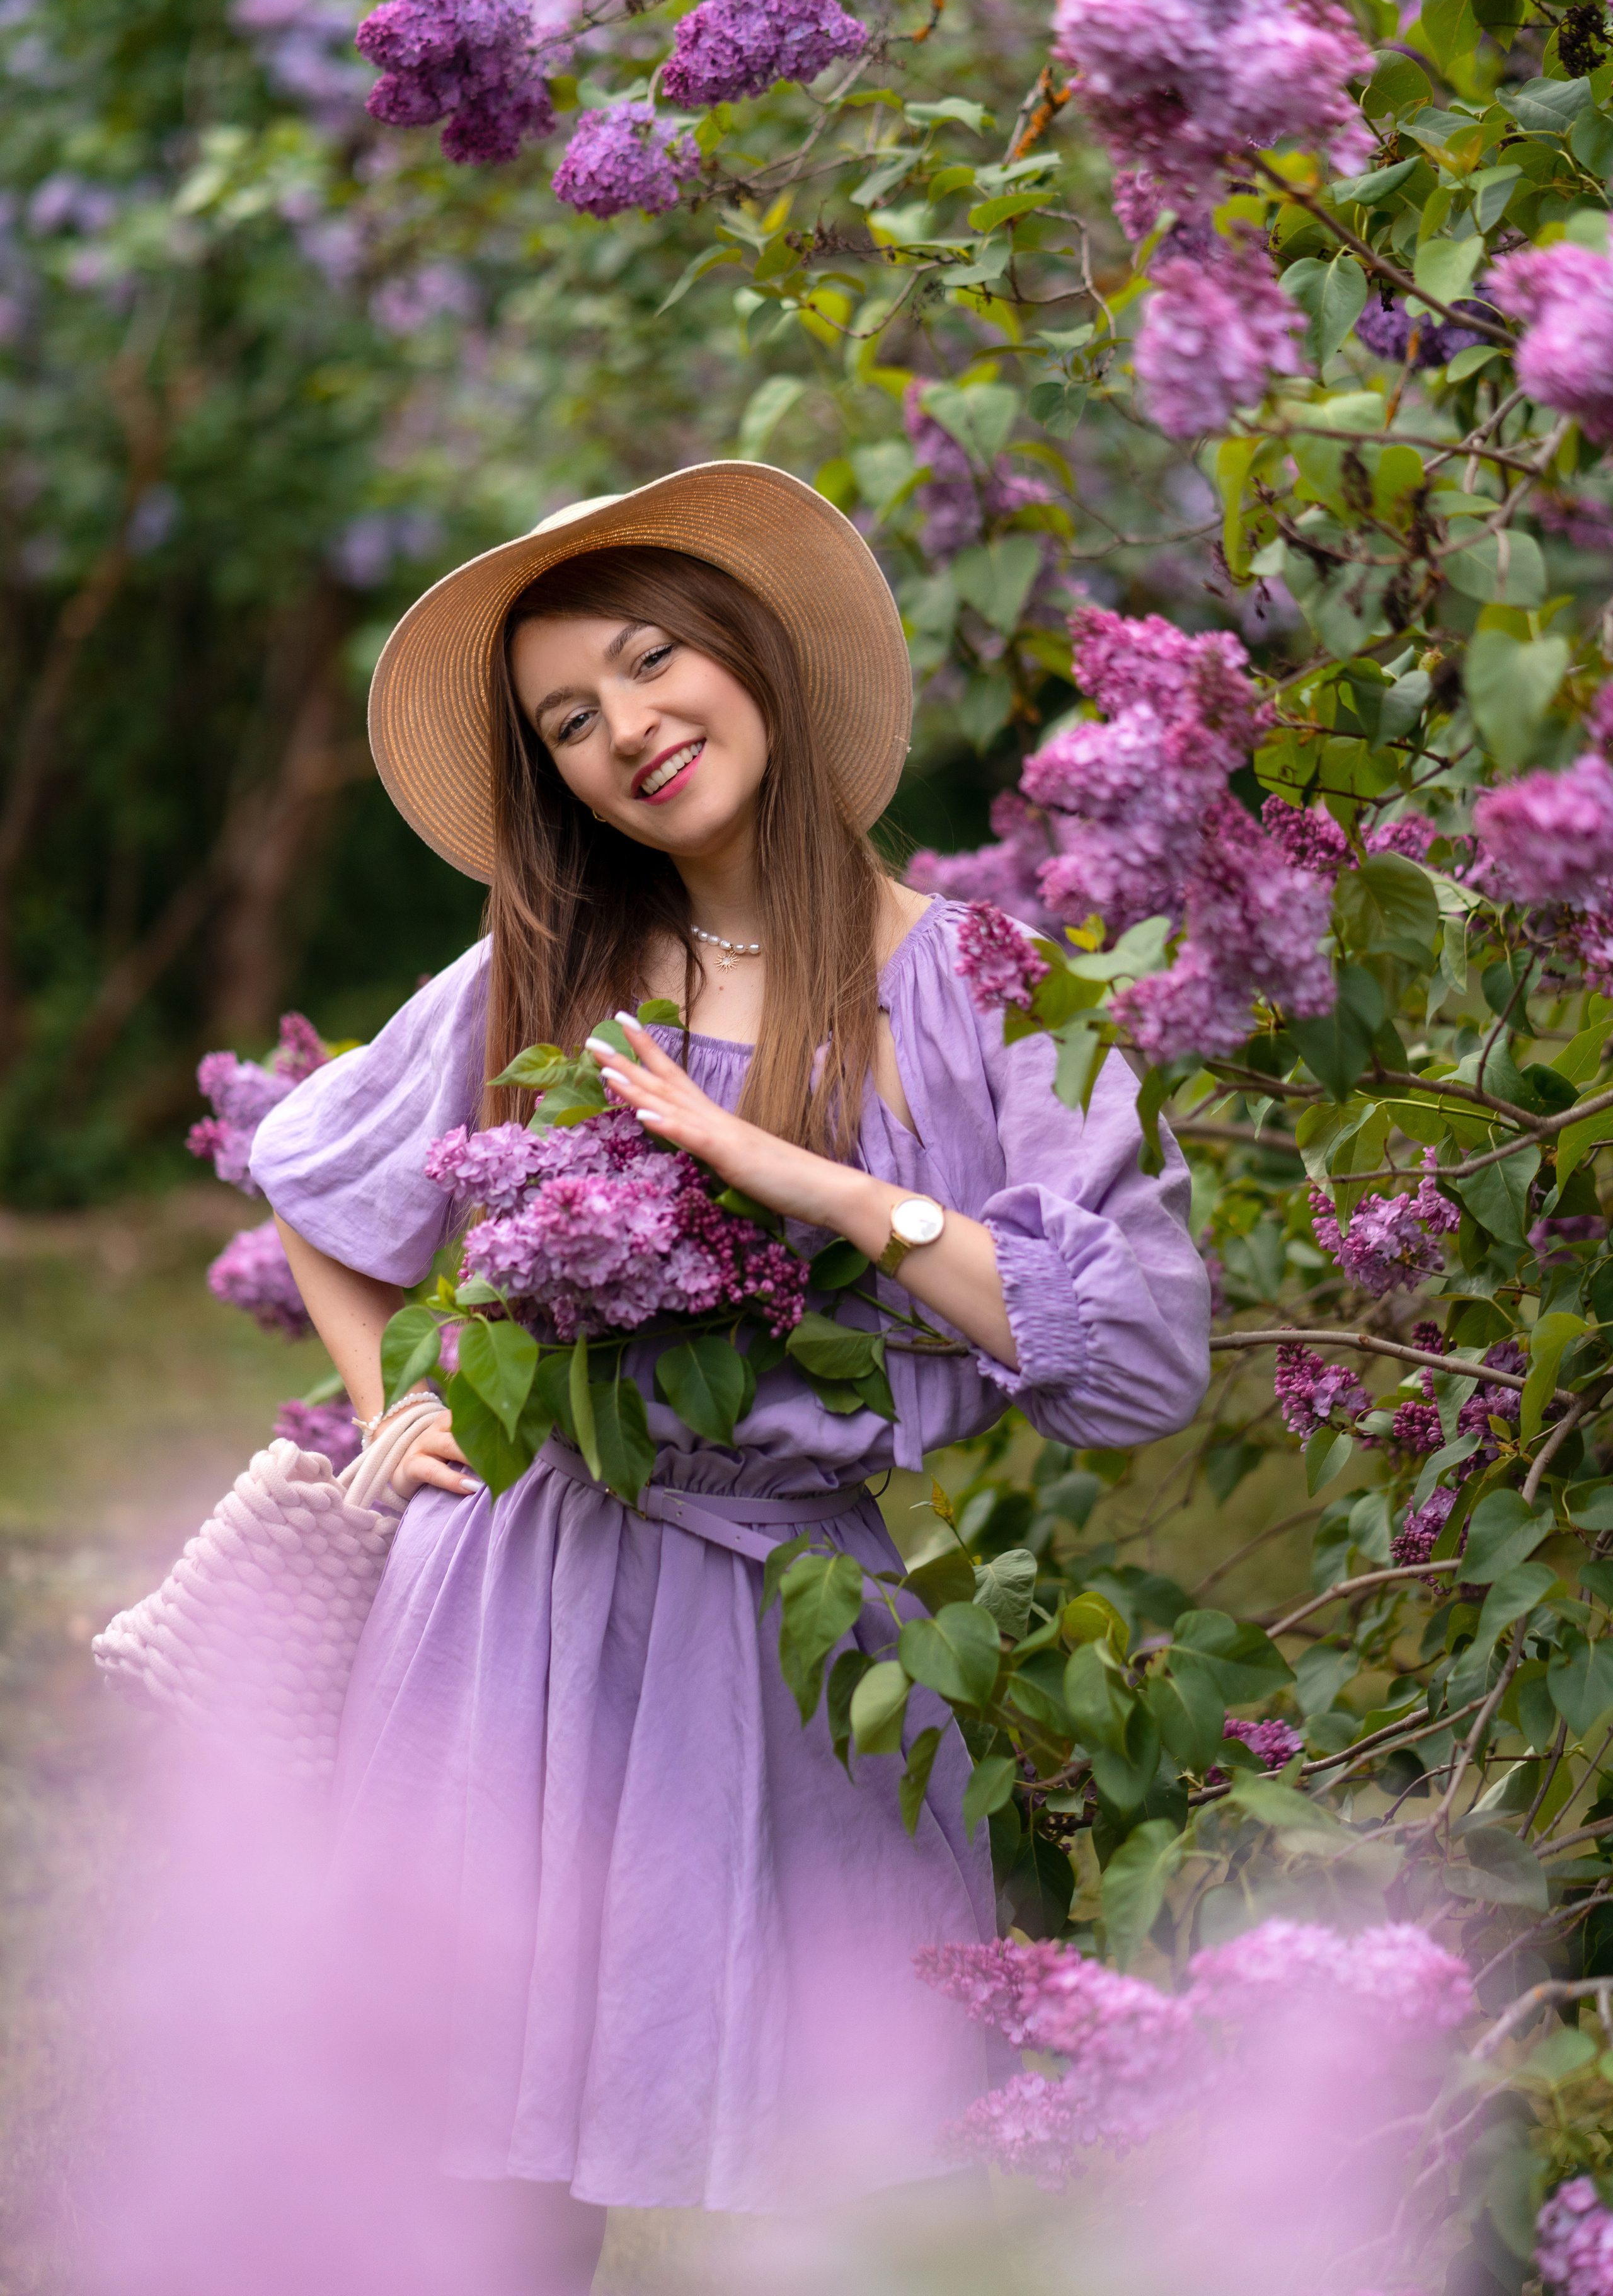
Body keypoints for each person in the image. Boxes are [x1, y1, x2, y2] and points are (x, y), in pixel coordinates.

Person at [249, 462, 1209, 2290]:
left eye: (648, 662)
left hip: (802, 1618)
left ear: (750, 654)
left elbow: (1143, 1359)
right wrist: (391, 1406)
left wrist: (819, 1183)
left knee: (867, 2156)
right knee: (485, 2184)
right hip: (512, 1602)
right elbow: (316, 1181)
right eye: (569, 721)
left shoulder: (992, 986)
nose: (627, 731)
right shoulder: (554, 971)